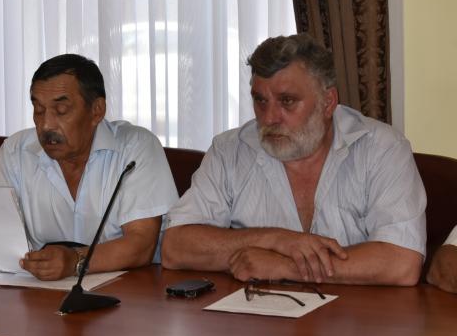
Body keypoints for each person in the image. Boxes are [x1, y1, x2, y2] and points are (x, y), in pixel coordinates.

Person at [162, 33, 425, 286]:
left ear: (328, 102)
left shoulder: (382, 149)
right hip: (256, 313)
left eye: (287, 101)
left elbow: (402, 263)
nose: (269, 118)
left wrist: (287, 267)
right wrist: (274, 240)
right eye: (260, 100)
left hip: (359, 315)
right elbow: (175, 247)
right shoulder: (230, 150)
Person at [0, 54, 178, 280]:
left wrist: (75, 261)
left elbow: (141, 245)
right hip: (36, 292)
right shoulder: (16, 151)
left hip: (128, 294)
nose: (46, 124)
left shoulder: (135, 147)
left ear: (97, 111)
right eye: (38, 110)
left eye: (61, 110)